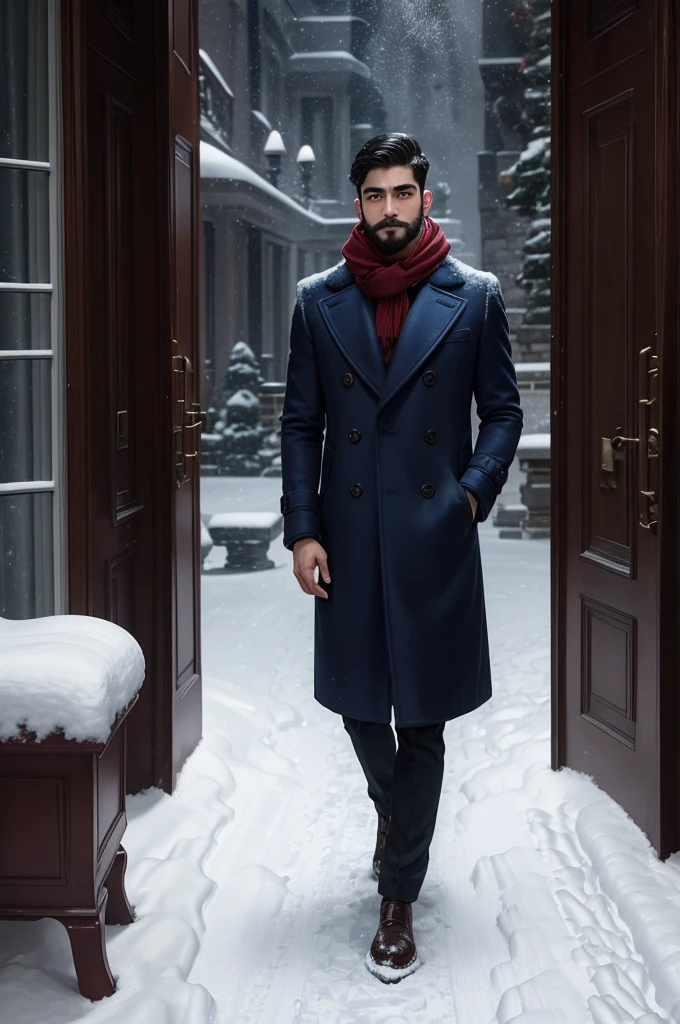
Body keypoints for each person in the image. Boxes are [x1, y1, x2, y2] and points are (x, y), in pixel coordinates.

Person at [280, 133, 522, 982]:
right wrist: (304, 530)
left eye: (402, 194)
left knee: (420, 719)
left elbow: (502, 412)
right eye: (374, 195)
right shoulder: (318, 302)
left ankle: (397, 898)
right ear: (358, 203)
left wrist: (470, 493)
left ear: (426, 198)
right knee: (357, 708)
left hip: (431, 538)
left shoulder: (475, 298)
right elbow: (302, 424)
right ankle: (400, 818)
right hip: (346, 539)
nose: (389, 208)